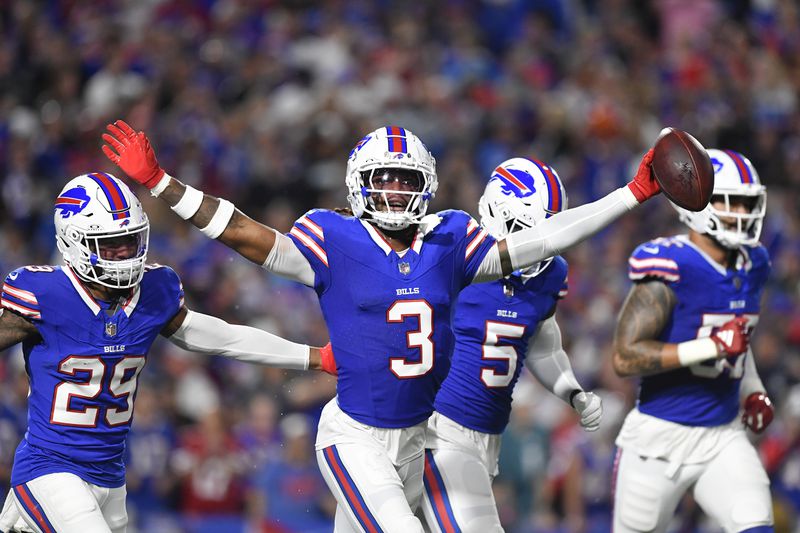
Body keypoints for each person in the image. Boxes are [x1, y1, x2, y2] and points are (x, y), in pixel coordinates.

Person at [102, 120, 661, 532]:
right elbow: (246, 234)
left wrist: (629, 195)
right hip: (354, 438)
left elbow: (541, 241)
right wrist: (160, 183)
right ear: (359, 184)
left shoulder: (450, 241)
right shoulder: (334, 240)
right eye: (384, 179)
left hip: (418, 443)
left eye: (404, 180)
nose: (394, 192)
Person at [0, 172, 335, 533]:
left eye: (130, 242)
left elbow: (221, 338)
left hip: (110, 477)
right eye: (111, 245)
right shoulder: (44, 294)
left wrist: (314, 356)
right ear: (74, 243)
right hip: (50, 468)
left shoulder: (154, 291)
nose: (125, 255)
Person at [420, 158, 603, 532]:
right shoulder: (455, 255)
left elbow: (541, 344)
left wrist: (572, 391)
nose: (536, 246)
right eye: (525, 231)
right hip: (436, 428)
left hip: (487, 438)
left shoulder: (551, 273)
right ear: (496, 211)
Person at [611, 149, 775, 533]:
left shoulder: (755, 263)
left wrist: (752, 389)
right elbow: (625, 356)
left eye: (749, 204)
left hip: (723, 434)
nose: (743, 214)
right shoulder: (671, 265)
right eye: (732, 203)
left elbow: (739, 343)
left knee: (756, 524)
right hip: (658, 440)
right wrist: (710, 347)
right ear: (697, 205)